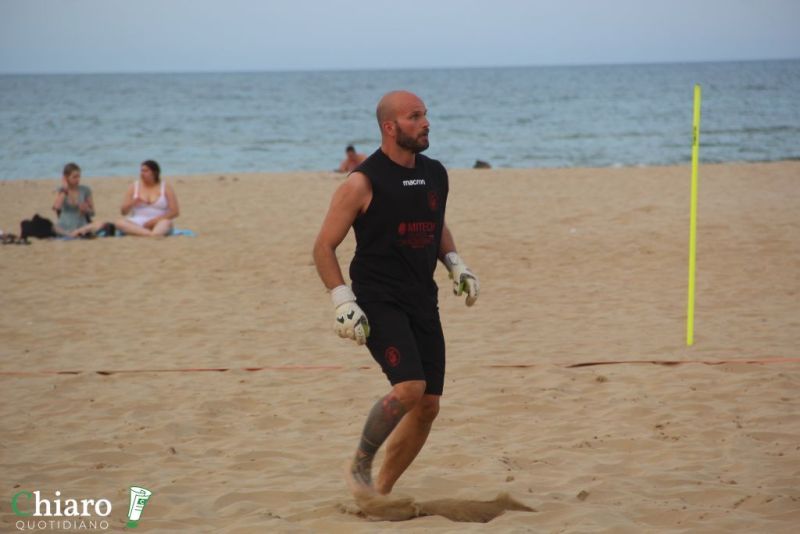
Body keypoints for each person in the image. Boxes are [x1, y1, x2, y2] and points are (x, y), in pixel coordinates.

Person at [313, 90, 480, 498]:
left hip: (423, 296)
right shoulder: (362, 182)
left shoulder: (436, 173)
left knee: (428, 405)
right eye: (415, 116)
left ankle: (379, 494)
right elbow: (323, 247)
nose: (426, 123)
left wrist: (455, 261)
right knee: (409, 388)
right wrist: (342, 300)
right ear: (390, 127)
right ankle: (360, 464)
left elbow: (434, 222)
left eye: (425, 114)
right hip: (377, 298)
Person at [115, 160, 180, 237]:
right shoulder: (134, 187)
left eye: (146, 171)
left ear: (154, 173)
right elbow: (123, 212)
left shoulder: (165, 187)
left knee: (166, 223)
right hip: (138, 222)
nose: (142, 173)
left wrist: (155, 221)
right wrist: (132, 203)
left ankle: (152, 233)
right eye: (141, 171)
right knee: (119, 223)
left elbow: (175, 211)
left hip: (160, 221)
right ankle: (149, 234)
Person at [52, 162, 102, 237]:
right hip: (64, 224)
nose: (77, 179)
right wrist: (65, 190)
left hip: (81, 225)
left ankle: (75, 232)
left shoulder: (85, 190)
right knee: (51, 226)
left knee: (100, 224)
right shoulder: (62, 191)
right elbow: (56, 207)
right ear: (66, 178)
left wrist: (86, 209)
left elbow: (93, 213)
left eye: (79, 177)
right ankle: (69, 234)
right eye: (74, 177)